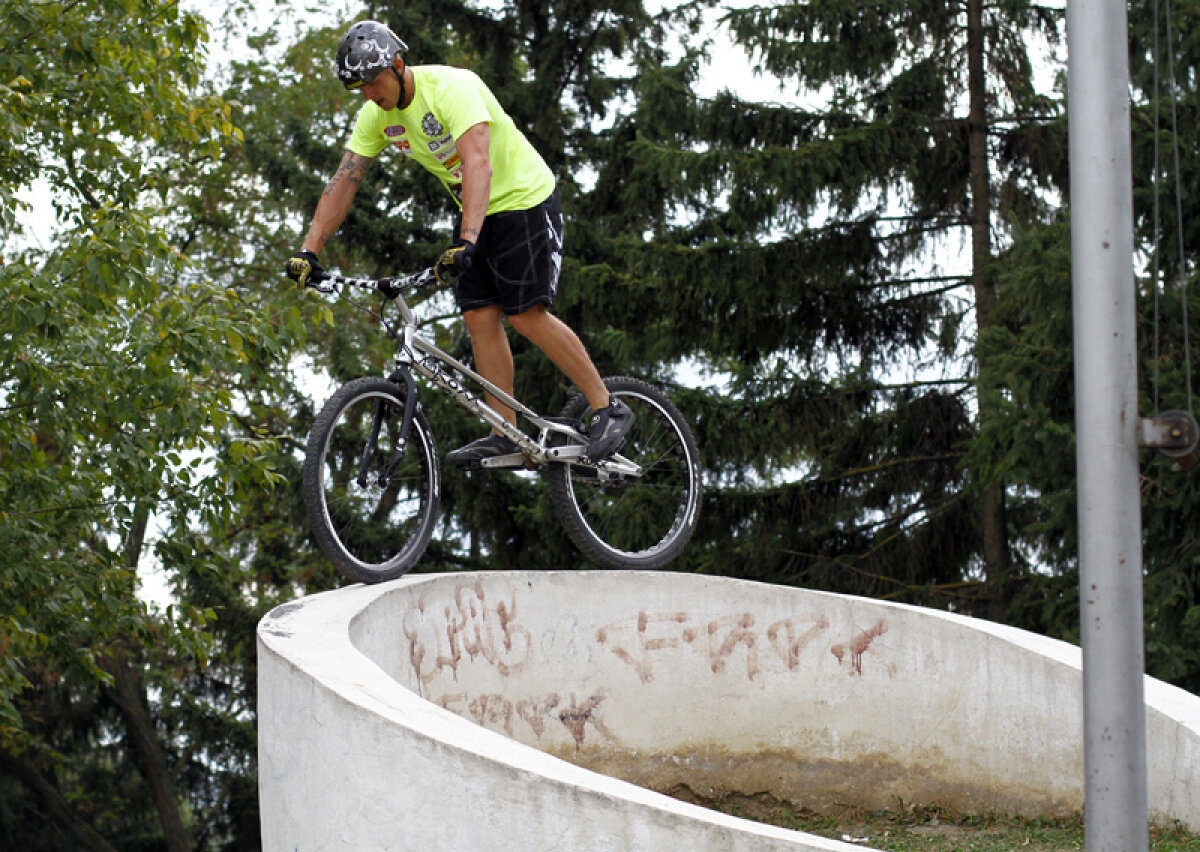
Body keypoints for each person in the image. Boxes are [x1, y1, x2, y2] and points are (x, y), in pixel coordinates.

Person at [285, 20, 633, 466]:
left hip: (524, 199)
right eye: (361, 89)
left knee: (525, 315)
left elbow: (478, 163)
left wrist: (467, 238)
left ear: (396, 63)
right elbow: (345, 180)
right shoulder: (376, 116)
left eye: (373, 82)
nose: (370, 95)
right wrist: (308, 249)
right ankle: (504, 431)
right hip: (477, 213)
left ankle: (607, 406)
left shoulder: (451, 87)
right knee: (479, 317)